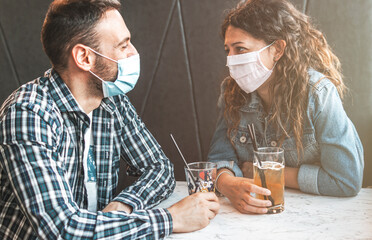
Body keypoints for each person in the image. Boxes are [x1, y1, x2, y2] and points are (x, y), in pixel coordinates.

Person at [0, 0, 220, 239]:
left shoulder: (112, 101)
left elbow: (159, 167)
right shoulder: (27, 113)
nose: (134, 53)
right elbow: (62, 230)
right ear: (84, 57)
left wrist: (123, 206)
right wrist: (170, 218)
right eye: (123, 45)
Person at [208, 0, 364, 214]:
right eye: (228, 50)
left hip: (314, 217)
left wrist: (256, 172)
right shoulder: (231, 92)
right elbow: (219, 158)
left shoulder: (319, 94)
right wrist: (226, 184)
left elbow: (346, 180)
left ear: (277, 49)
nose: (230, 61)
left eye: (240, 49)